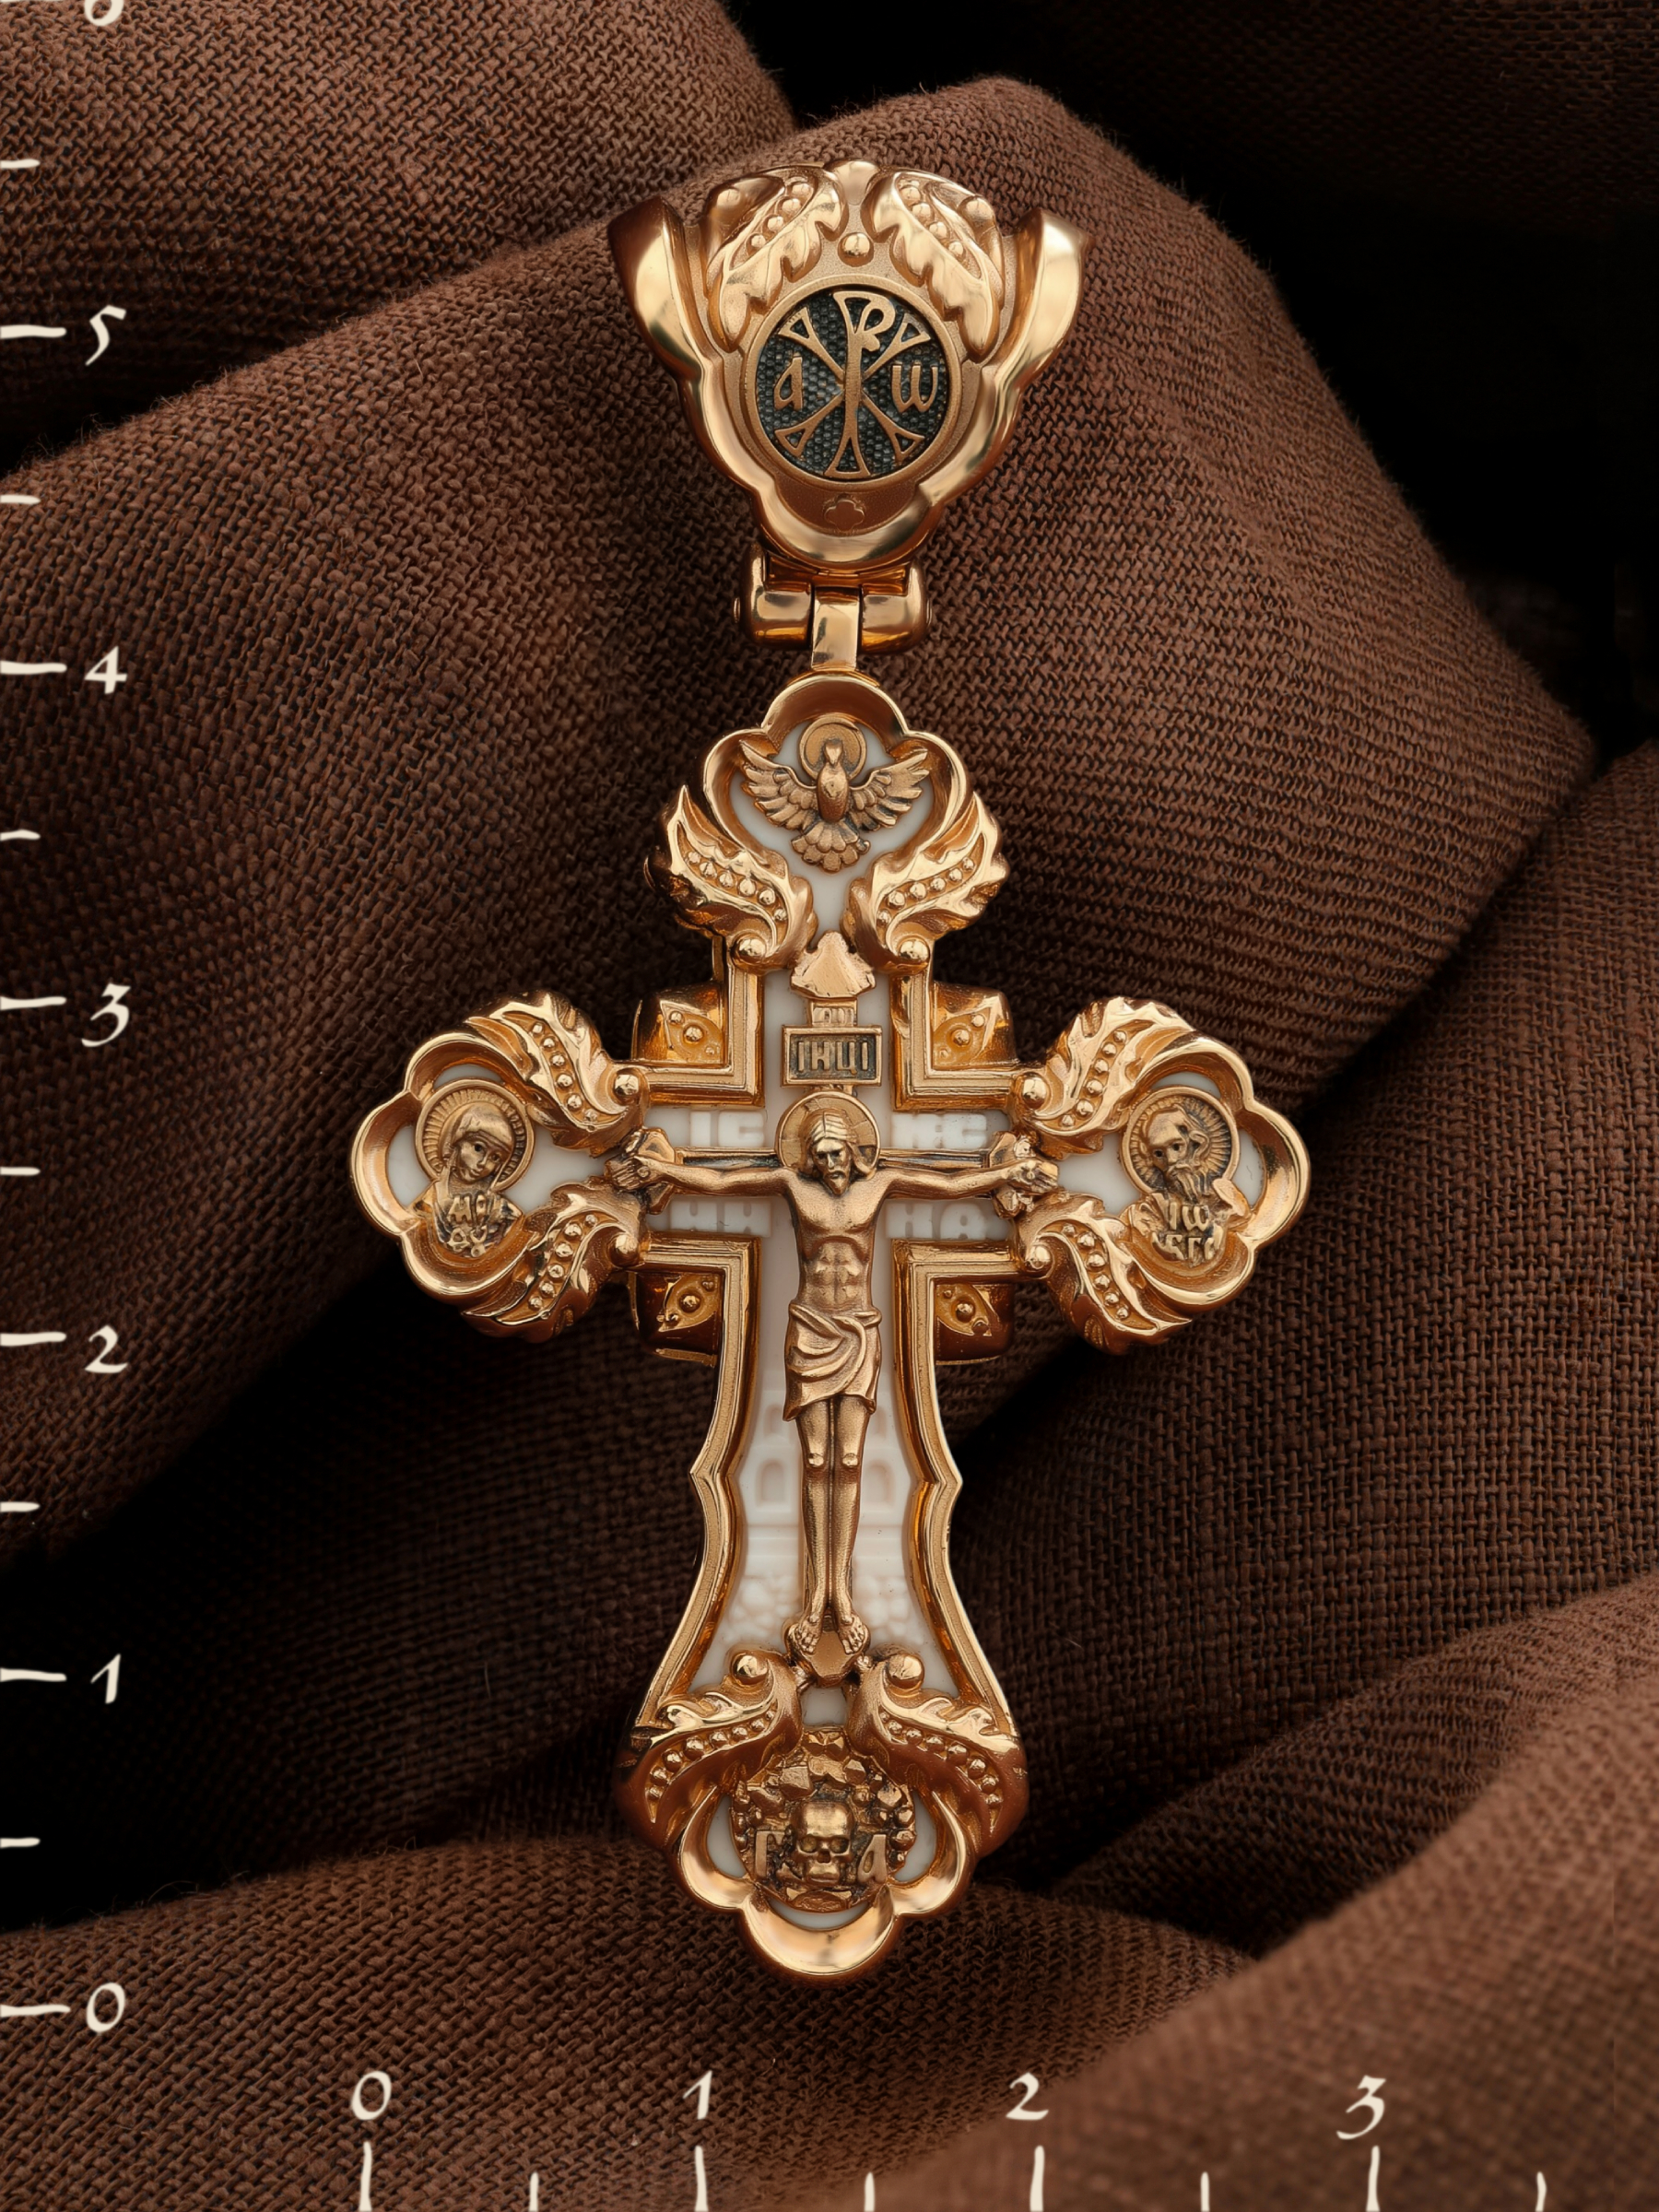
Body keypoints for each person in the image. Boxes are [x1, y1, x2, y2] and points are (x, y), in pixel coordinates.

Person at [610, 1104, 1053, 1663]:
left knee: (849, 1459)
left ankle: (840, 1594)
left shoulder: (880, 1185)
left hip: (859, 1331)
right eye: (819, 1156)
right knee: (816, 1459)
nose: (829, 1164)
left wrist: (1008, 1174)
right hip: (812, 1329)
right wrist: (663, 1171)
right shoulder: (793, 1187)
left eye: (836, 1154)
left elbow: (948, 1184)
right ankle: (814, 1592)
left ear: (854, 1151)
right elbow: (723, 1181)